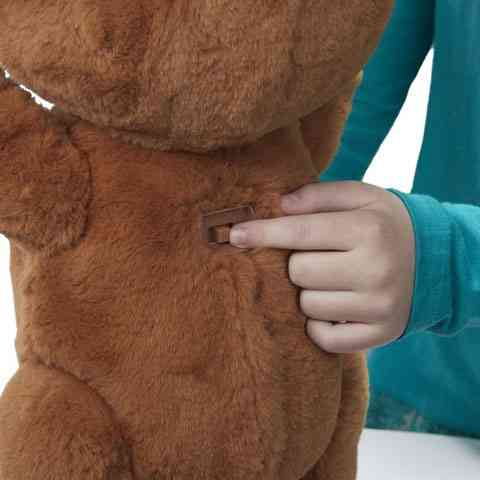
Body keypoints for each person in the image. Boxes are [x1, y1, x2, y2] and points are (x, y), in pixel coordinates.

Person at [229, 0, 480, 439]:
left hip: (421, 319)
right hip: (420, 385)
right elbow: (350, 85)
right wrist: (260, 211)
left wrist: (450, 262)